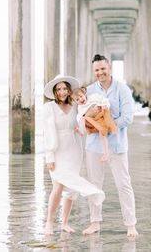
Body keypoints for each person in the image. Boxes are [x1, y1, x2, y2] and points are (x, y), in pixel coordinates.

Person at [82, 54, 139, 238]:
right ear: (94, 71)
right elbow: (83, 115)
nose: (100, 72)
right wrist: (91, 125)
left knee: (123, 185)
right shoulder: (89, 90)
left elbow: (128, 117)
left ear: (110, 68)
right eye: (97, 70)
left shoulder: (122, 89)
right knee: (94, 185)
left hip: (117, 145)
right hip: (94, 146)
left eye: (103, 69)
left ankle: (131, 224)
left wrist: (107, 126)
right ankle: (95, 222)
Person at [43, 74, 105, 235]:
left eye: (64, 88)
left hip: (74, 149)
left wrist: (99, 110)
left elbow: (85, 121)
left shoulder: (76, 107)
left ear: (69, 91)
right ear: (55, 92)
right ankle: (49, 222)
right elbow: (47, 133)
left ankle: (64, 222)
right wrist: (49, 156)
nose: (62, 92)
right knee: (57, 186)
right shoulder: (49, 107)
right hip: (57, 151)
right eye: (58, 89)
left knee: (71, 190)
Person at [71, 87, 118, 162]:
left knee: (103, 134)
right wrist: (82, 121)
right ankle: (81, 131)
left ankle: (106, 153)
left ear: (84, 94)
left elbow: (103, 99)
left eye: (81, 96)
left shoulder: (93, 97)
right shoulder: (80, 107)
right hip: (95, 121)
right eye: (77, 99)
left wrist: (105, 105)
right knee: (83, 119)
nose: (80, 99)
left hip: (102, 114)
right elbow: (79, 116)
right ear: (75, 102)